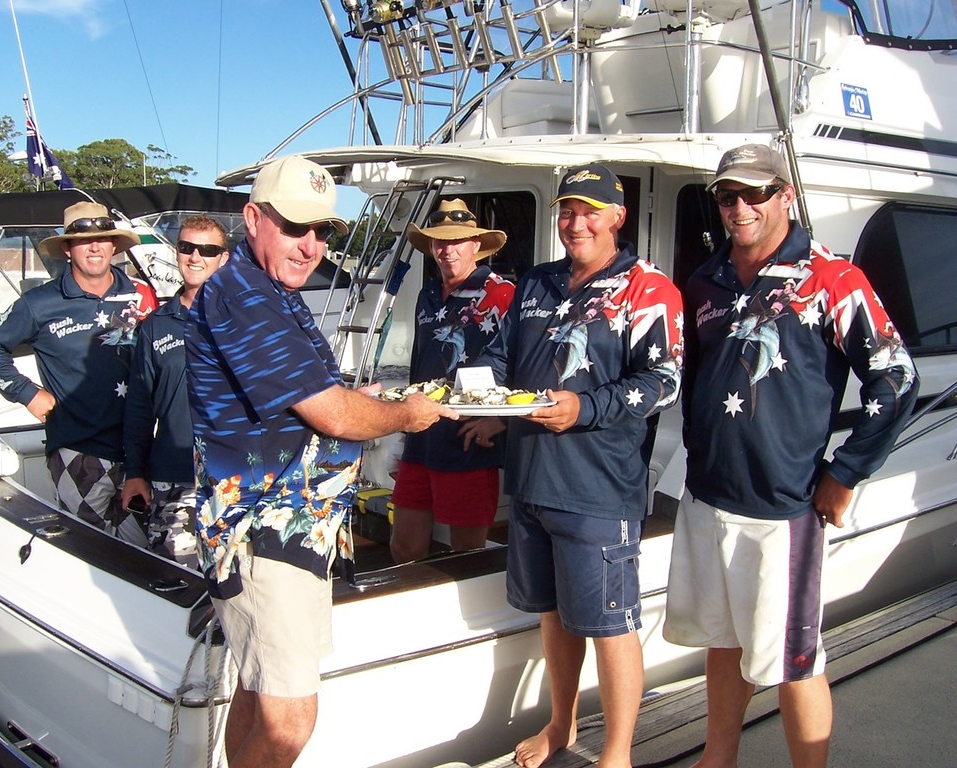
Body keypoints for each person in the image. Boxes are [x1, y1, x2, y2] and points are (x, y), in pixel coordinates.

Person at [184, 154, 457, 768]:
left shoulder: (273, 292)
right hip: (263, 532)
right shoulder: (244, 297)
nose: (310, 247)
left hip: (290, 530)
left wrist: (378, 400)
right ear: (253, 219)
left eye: (321, 232)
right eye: (293, 228)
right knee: (291, 721)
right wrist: (404, 415)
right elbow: (332, 414)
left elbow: (322, 396)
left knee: (255, 691)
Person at [663, 144, 919, 768]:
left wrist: (846, 470)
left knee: (794, 661)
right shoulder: (704, 280)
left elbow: (896, 378)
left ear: (786, 196)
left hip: (783, 510)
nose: (740, 207)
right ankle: (716, 758)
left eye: (755, 193)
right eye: (728, 196)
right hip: (707, 499)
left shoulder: (832, 279)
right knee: (723, 643)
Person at [475, 163, 684, 768]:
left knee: (611, 626)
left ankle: (617, 753)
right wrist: (486, 405)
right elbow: (505, 362)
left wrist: (583, 408)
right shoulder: (536, 284)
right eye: (567, 209)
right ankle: (560, 726)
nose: (576, 221)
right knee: (553, 614)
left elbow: (664, 381)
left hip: (598, 488)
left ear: (618, 216)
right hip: (533, 482)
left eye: (591, 210)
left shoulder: (648, 288)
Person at [0, 200, 157, 544]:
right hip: (79, 450)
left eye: (103, 238)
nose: (94, 246)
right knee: (91, 551)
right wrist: (26, 393)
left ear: (114, 245)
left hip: (143, 450)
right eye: (82, 240)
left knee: (147, 555)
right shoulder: (40, 302)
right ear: (67, 249)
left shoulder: (141, 293)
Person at [389, 199, 515, 562]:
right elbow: (419, 366)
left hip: (466, 440)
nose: (448, 250)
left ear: (476, 244)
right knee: (404, 545)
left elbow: (521, 364)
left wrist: (500, 421)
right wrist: (402, 432)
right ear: (431, 247)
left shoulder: (502, 293)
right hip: (420, 438)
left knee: (468, 551)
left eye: (458, 241)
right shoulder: (427, 295)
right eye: (440, 242)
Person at [122, 215, 230, 566]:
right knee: (176, 581)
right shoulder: (155, 325)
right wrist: (135, 472)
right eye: (186, 247)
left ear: (223, 259)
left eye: (207, 250)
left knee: (238, 589)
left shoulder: (244, 320)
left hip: (233, 478)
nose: (195, 257)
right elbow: (140, 405)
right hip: (172, 477)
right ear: (177, 252)